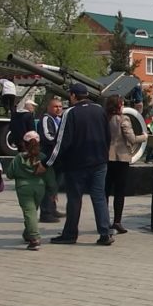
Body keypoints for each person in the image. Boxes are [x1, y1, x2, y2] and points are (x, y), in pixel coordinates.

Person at [47, 83, 113, 246]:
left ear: (73, 96)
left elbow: (62, 142)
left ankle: (70, 234)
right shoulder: (99, 110)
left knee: (75, 199)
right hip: (99, 162)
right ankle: (105, 233)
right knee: (99, 197)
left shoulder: (70, 113)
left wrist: (48, 162)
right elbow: (107, 135)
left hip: (77, 165)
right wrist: (103, 155)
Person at [5, 131, 57, 250]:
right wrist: (53, 191)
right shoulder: (43, 157)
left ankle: (34, 239)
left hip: (23, 188)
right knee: (32, 211)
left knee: (29, 212)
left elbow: (9, 174)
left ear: (24, 143)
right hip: (39, 188)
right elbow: (50, 176)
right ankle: (27, 233)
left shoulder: (19, 158)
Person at [105, 95, 148, 234]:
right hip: (121, 158)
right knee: (119, 191)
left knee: (105, 191)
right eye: (122, 104)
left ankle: (103, 220)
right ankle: (117, 222)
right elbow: (132, 138)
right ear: (118, 106)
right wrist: (144, 137)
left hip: (106, 157)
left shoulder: (104, 118)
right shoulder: (124, 119)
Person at [39, 98, 65, 223]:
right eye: (55, 106)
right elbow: (47, 136)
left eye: (60, 106)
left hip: (58, 157)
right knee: (49, 185)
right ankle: (46, 212)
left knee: (55, 185)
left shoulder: (59, 120)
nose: (58, 109)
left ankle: (52, 208)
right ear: (49, 108)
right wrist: (60, 142)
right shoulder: (46, 119)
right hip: (48, 156)